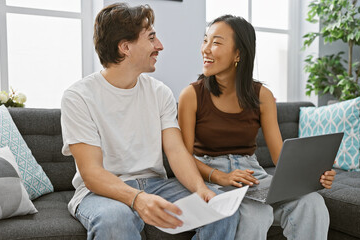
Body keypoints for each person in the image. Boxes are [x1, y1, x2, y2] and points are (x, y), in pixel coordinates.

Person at [60, 4, 239, 240]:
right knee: (116, 219)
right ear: (125, 48)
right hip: (101, 192)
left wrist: (201, 189)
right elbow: (92, 173)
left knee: (222, 208)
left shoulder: (159, 92)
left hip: (156, 184)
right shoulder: (78, 96)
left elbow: (176, 151)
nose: (160, 46)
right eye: (151, 37)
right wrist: (137, 199)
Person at [178, 15, 336, 240]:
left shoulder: (262, 96)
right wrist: (221, 175)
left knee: (312, 203)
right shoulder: (191, 95)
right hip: (211, 174)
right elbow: (183, 158)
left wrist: (314, 176)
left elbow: (280, 155)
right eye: (205, 40)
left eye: (216, 42)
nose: (205, 49)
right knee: (255, 215)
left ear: (238, 54)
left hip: (253, 174)